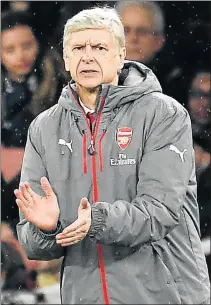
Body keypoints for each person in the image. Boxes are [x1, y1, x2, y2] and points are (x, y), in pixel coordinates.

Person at [15, 6, 210, 304]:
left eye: (100, 47)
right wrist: (45, 229)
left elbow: (160, 211)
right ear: (66, 58)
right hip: (85, 296)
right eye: (78, 48)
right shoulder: (44, 129)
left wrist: (97, 219)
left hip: (164, 294)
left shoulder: (164, 114)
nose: (88, 56)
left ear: (121, 56)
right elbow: (34, 244)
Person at [1, 10, 69, 226]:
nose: (20, 55)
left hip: (46, 177)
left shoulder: (58, 84)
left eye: (27, 46)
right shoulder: (6, 92)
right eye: (10, 49)